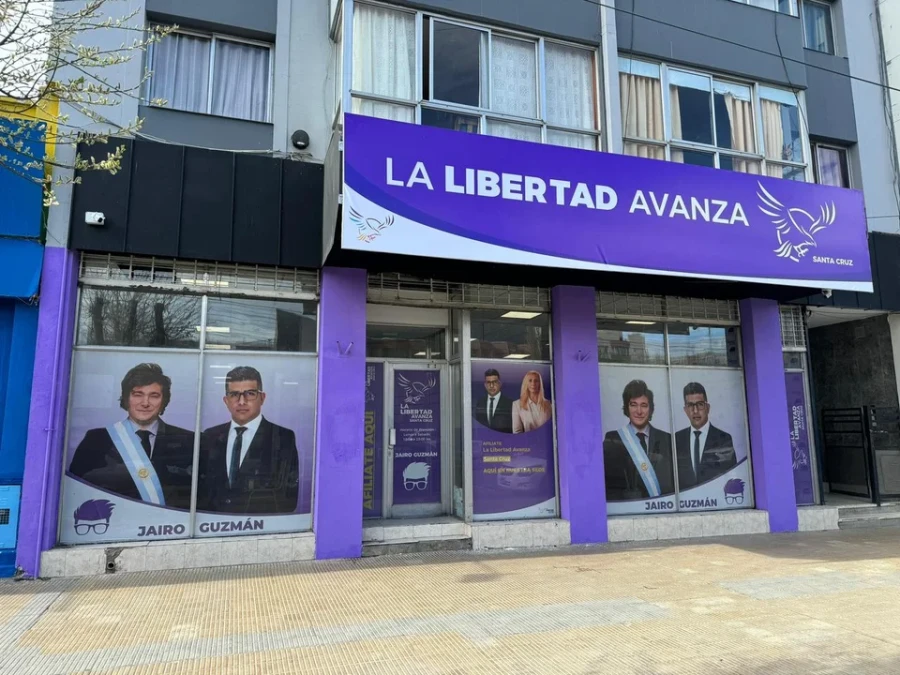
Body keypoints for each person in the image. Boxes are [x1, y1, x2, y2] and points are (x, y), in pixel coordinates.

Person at [68, 363, 194, 508]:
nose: (145, 403)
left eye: (154, 396)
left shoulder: (188, 440)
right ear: (126, 398)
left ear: (164, 400)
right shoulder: (97, 440)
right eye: (138, 394)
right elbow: (78, 489)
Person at [199, 366, 299, 514]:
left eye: (250, 394)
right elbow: (201, 489)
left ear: (262, 398)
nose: (241, 401)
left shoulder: (282, 437)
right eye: (234, 394)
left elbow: (288, 496)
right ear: (226, 400)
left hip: (259, 527)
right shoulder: (210, 436)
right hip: (214, 526)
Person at [603, 379, 674, 500]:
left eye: (644, 405)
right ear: (626, 407)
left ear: (650, 409)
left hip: (661, 507)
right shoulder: (613, 439)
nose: (639, 411)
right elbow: (610, 483)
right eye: (633, 405)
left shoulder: (666, 439)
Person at [674, 382, 736, 490]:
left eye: (700, 404)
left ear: (707, 407)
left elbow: (731, 477)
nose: (695, 411)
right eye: (690, 406)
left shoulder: (723, 439)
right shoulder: (677, 439)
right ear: (685, 410)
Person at [474, 368, 514, 433]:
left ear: (500, 384)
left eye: (494, 382)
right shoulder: (480, 403)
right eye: (488, 382)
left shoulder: (510, 403)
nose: (491, 386)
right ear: (485, 385)